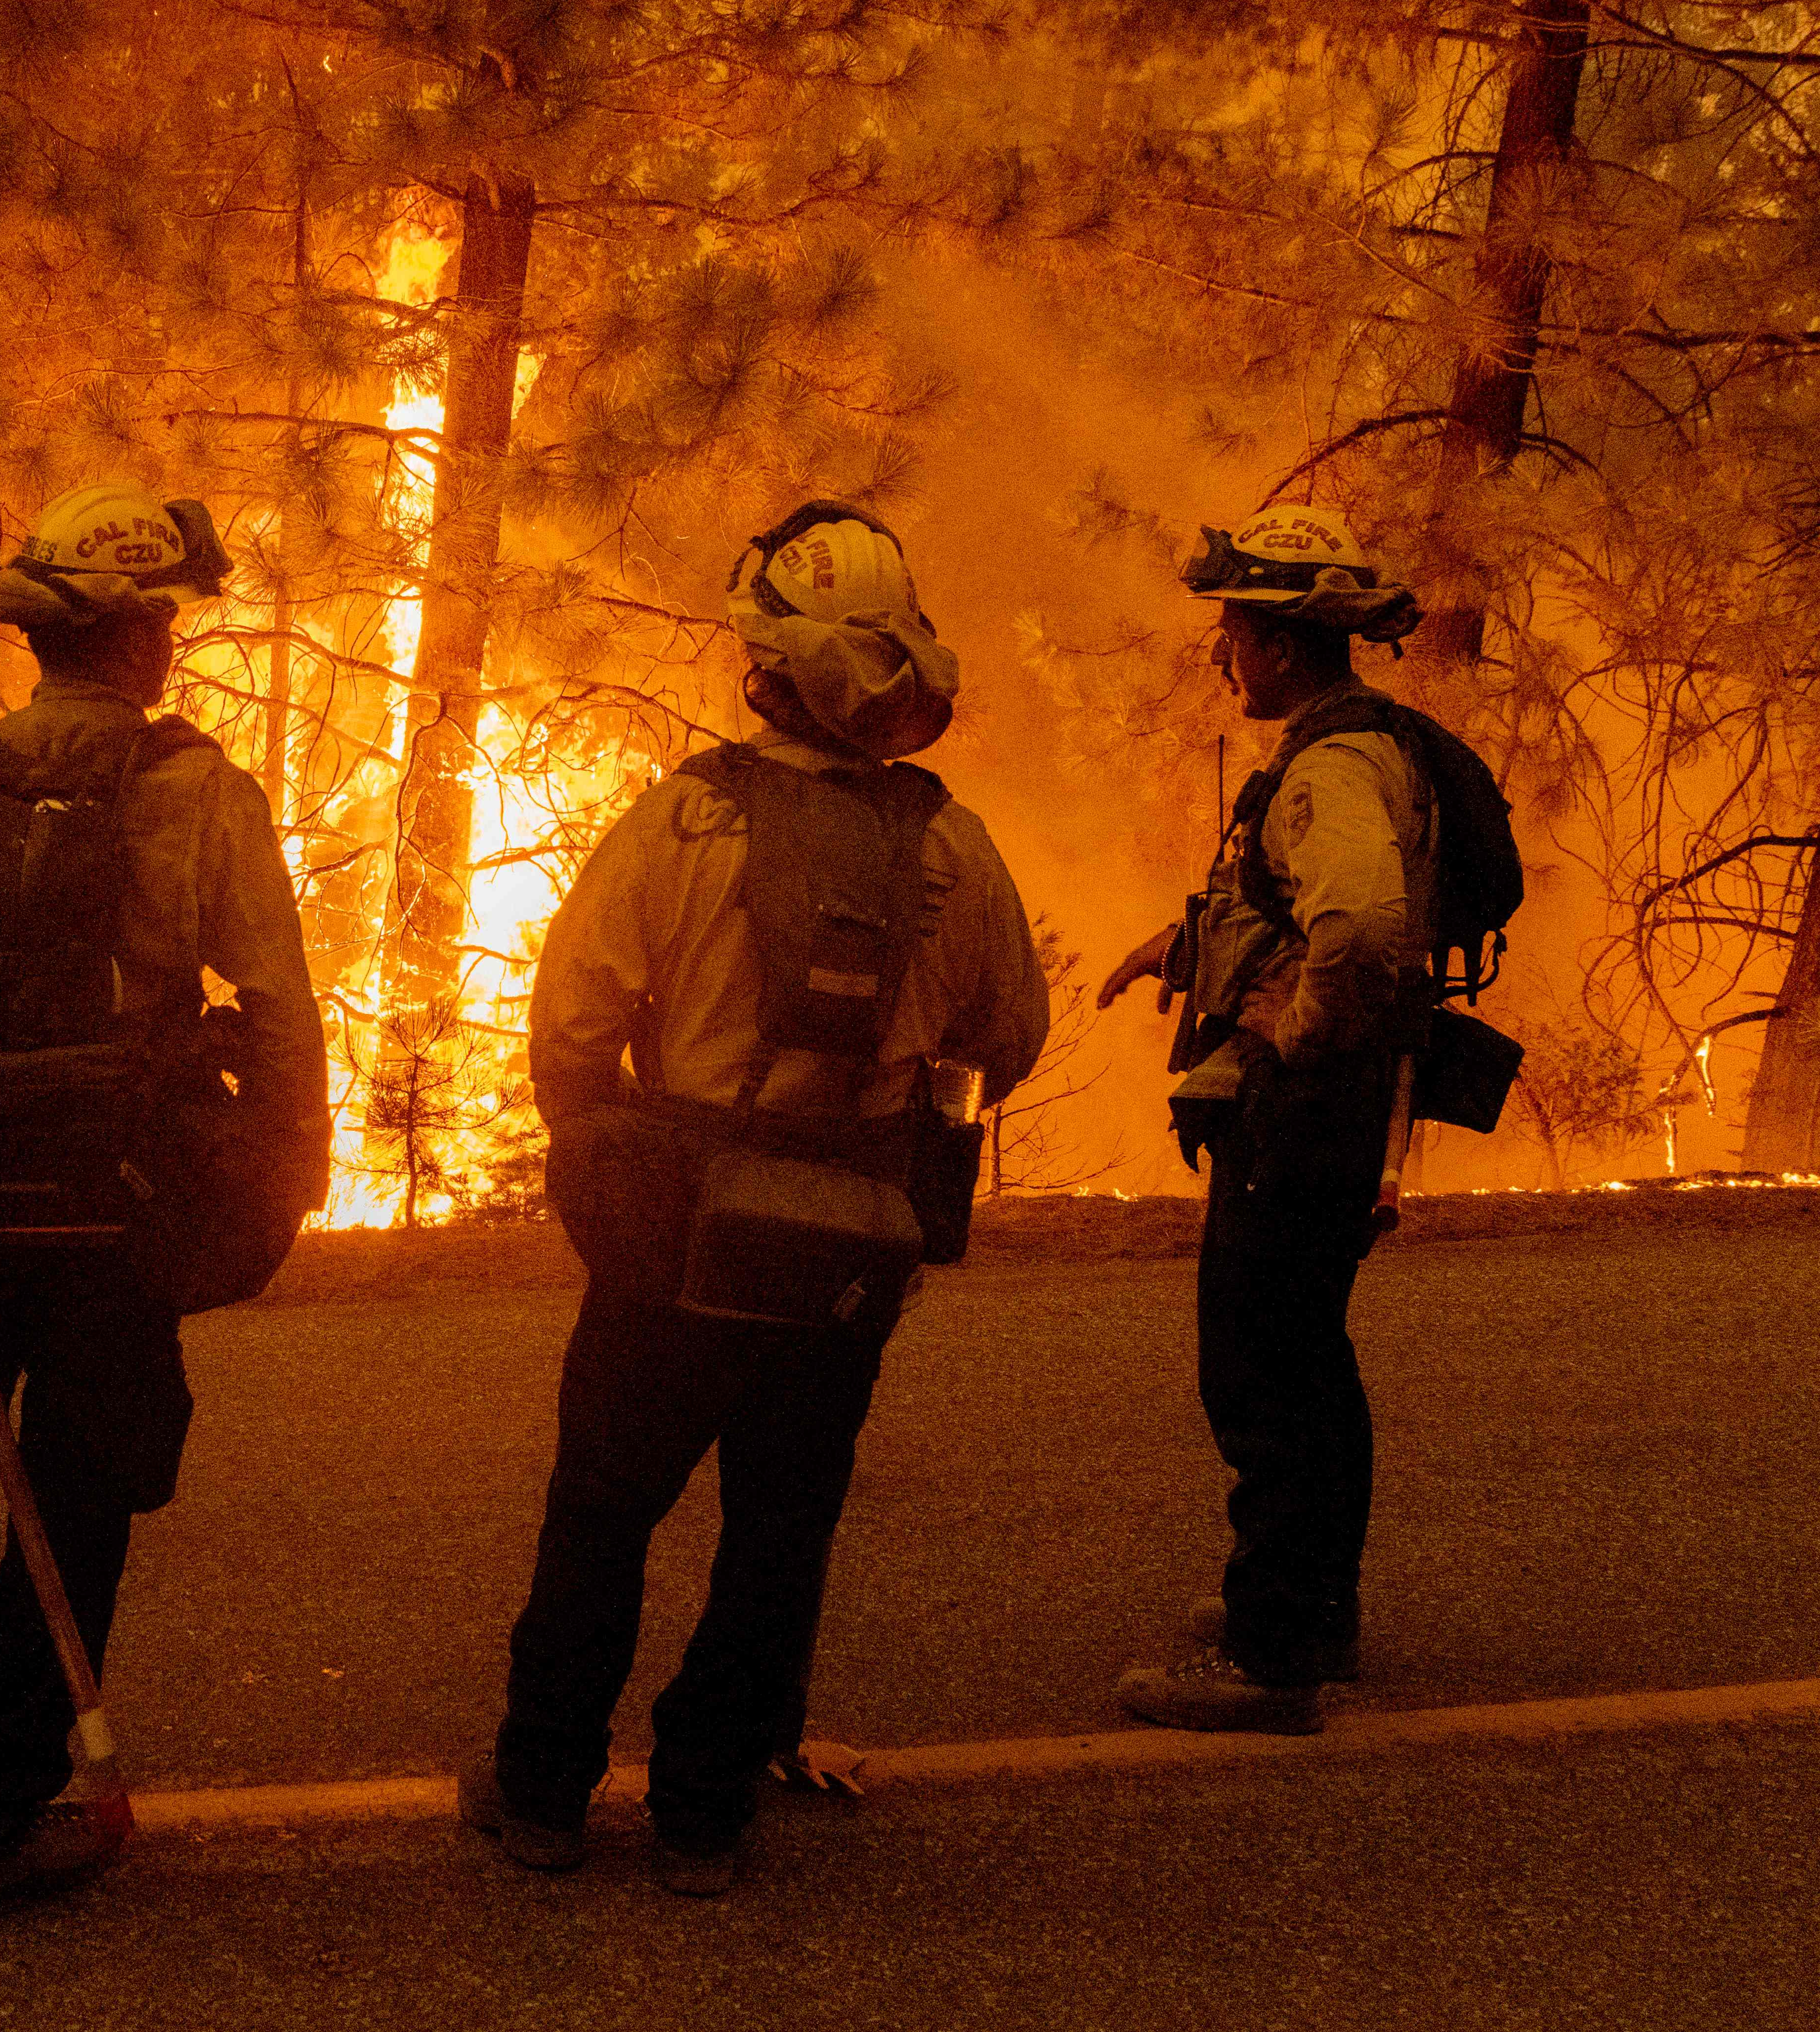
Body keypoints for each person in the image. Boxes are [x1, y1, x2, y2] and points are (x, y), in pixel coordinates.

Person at [466, 501, 1049, 1896]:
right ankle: (704, 1809)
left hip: (672, 1224)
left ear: (764, 666)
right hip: (846, 1243)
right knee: (779, 1523)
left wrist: (607, 1158)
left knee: (603, 1505)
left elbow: (568, 1024)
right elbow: (1007, 1036)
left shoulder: (682, 819)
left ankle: (542, 1789)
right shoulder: (953, 848)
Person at [0, 482, 329, 1923]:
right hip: (116, 1188)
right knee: (81, 1475)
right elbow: (276, 998)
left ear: (40, 641)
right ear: (140, 643)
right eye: (164, 623)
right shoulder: (198, 792)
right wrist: (291, 1153)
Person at [1095, 504, 1433, 1733]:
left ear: (1283, 645)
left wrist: (1290, 1046)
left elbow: (1357, 924)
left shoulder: (1330, 770)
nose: (1222, 651)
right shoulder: (1355, 746)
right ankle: (1313, 1612)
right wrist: (1174, 948)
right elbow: (1284, 913)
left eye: (1232, 629)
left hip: (1303, 1109)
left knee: (1260, 1371)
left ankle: (1271, 1656)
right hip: (1340, 1106)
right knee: (1310, 1358)